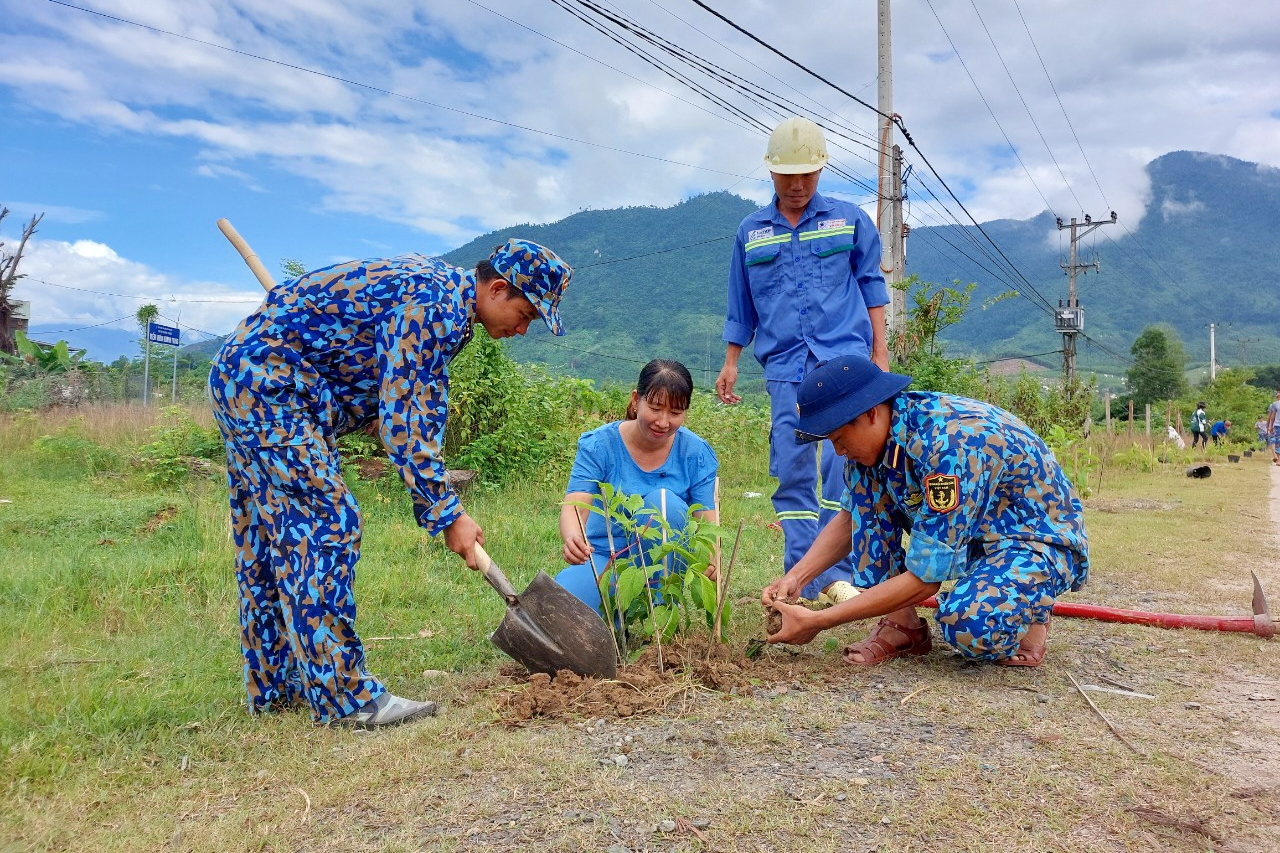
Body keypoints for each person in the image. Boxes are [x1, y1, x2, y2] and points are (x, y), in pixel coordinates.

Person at [209, 238, 573, 727]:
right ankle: (345, 699)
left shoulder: (444, 296)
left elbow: (393, 391)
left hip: (247, 380)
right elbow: (411, 422)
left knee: (269, 538)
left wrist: (377, 413)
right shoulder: (435, 308)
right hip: (271, 389)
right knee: (325, 524)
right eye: (526, 313)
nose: (524, 328)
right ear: (499, 288)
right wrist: (449, 514)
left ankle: (276, 689)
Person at [762, 355, 1090, 669]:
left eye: (839, 437)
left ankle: (1031, 608)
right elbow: (851, 519)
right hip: (976, 539)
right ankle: (901, 627)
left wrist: (819, 621)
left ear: (871, 414)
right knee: (866, 497)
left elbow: (925, 580)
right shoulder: (876, 445)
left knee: (970, 629)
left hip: (1033, 543)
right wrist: (796, 577)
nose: (838, 450)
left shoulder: (950, 447)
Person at [715, 116, 890, 603]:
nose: (796, 185)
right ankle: (800, 577)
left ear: (821, 171)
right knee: (793, 470)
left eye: (806, 175)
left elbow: (872, 285)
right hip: (785, 369)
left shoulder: (849, 219)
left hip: (845, 365)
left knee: (845, 467)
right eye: (786, 175)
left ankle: (843, 578)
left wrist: (880, 349)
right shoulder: (751, 233)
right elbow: (741, 302)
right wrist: (731, 361)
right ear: (770, 173)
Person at [558, 359, 720, 614]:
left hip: (663, 563)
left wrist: (711, 559)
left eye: (675, 413)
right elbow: (575, 506)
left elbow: (707, 524)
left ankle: (657, 614)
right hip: (607, 557)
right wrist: (573, 538)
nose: (663, 422)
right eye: (655, 408)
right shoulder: (599, 445)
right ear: (636, 400)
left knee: (662, 503)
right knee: (562, 605)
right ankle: (619, 617)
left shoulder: (695, 453)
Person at [1268, 390, 1280, 465]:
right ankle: (1279, 460)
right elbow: (1272, 416)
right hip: (1278, 425)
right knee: (1278, 442)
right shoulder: (1275, 404)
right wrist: (1270, 426)